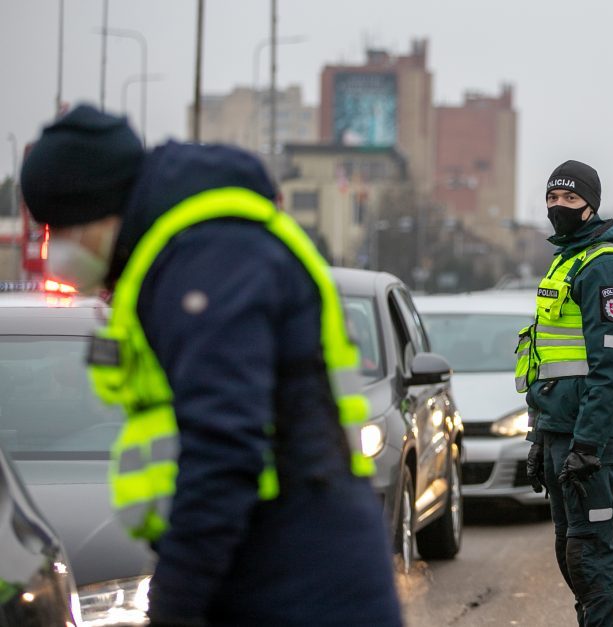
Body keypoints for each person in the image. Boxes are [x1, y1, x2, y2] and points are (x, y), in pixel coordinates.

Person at [20, 105, 402, 627]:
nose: (53, 249)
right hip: (266, 563)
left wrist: (174, 604)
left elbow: (224, 450)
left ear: (99, 211)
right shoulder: (184, 254)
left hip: (294, 574)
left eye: (59, 229)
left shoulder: (209, 258)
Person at [520, 160, 613, 626]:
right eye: (552, 198)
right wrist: (539, 435)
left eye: (570, 199)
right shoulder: (566, 258)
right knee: (570, 551)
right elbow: (547, 359)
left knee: (590, 552)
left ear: (591, 205)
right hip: (559, 431)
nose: (559, 207)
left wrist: (589, 443)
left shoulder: (606, 265)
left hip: (588, 437)